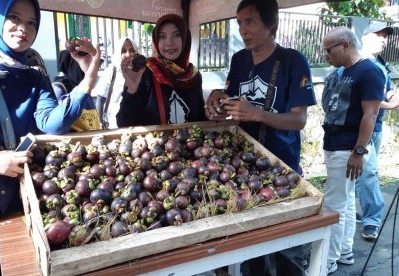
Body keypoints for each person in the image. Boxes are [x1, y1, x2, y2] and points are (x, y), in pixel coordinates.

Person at [0, 0, 101, 275]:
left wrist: (89, 76)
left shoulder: (31, 76)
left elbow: (52, 123)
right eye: (13, 17)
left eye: (32, 22)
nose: (23, 28)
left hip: (10, 210)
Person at [205, 0, 316, 275]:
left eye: (250, 22)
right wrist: (219, 101)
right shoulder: (239, 60)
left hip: (282, 170)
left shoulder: (293, 61)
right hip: (243, 171)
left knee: (286, 255)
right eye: (240, 22)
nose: (243, 29)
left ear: (271, 24)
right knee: (251, 257)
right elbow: (235, 101)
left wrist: (257, 114)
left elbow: (299, 120)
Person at [320, 26, 384, 274]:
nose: (326, 55)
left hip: (347, 148)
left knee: (334, 205)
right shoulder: (342, 71)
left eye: (329, 49)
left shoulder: (369, 71)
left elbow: (371, 114)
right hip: (335, 144)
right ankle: (344, 251)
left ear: (345, 44)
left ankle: (328, 258)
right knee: (345, 203)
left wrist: (359, 152)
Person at [116, 13, 206, 127]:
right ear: (155, 41)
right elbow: (123, 124)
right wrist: (132, 91)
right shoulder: (143, 73)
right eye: (162, 36)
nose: (169, 43)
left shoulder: (193, 76)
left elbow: (201, 119)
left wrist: (213, 111)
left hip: (190, 143)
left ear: (185, 38)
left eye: (177, 35)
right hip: (154, 144)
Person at [356, 22, 399, 241]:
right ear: (364, 37)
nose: (383, 39)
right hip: (363, 127)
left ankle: (359, 212)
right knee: (369, 171)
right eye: (378, 35)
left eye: (385, 36)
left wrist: (392, 97)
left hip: (378, 127)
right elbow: (359, 99)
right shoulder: (357, 63)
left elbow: (386, 93)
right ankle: (372, 220)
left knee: (362, 172)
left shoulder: (381, 65)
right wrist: (388, 104)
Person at [94, 37, 138, 129]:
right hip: (114, 124)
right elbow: (100, 100)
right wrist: (100, 122)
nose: (128, 54)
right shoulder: (111, 71)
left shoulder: (140, 72)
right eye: (123, 51)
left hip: (137, 123)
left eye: (131, 50)